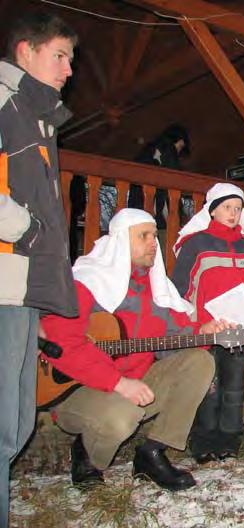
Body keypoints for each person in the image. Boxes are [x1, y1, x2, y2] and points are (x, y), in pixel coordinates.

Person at [41, 209, 229, 492]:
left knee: (199, 361)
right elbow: (62, 345)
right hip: (75, 390)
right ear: (119, 241)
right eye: (144, 236)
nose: (154, 242)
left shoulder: (156, 291)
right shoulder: (85, 284)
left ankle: (151, 453)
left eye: (155, 235)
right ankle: (87, 453)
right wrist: (117, 382)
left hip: (133, 385)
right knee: (122, 416)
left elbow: (176, 336)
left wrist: (204, 332)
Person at [0, 13, 78, 526]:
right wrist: (26, 231)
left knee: (17, 423)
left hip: (25, 287)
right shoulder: (5, 106)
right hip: (6, 279)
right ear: (26, 50)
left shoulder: (36, 117)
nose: (70, 69)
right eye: (60, 55)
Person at [172, 183, 244, 463]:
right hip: (207, 330)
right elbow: (181, 291)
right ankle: (203, 443)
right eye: (227, 207)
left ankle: (229, 443)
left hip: (238, 331)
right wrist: (195, 326)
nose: (233, 213)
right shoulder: (196, 245)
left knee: (234, 388)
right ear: (212, 210)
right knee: (208, 389)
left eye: (238, 208)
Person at [129, 123, 191, 230]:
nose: (179, 151)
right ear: (178, 140)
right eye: (180, 146)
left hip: (138, 211)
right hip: (155, 212)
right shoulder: (168, 150)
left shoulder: (148, 152)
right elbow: (173, 179)